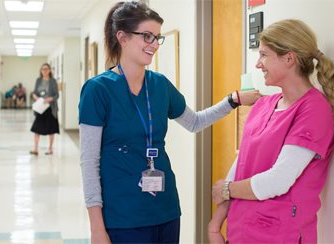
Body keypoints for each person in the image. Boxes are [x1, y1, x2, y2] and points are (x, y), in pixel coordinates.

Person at [78, 2, 261, 243]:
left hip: (165, 209)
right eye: (146, 36)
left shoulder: (159, 84)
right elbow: (89, 162)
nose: (154, 44)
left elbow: (194, 122)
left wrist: (233, 100)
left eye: (157, 37)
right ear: (122, 37)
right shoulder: (97, 90)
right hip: (122, 215)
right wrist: (96, 229)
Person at [208, 19, 334, 243]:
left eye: (264, 55)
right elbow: (240, 163)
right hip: (240, 229)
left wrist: (226, 189)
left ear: (289, 58)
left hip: (281, 234)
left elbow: (278, 181)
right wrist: (215, 224)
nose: (257, 64)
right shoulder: (264, 104)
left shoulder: (314, 110)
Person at [30, 63, 59, 155]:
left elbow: (56, 95)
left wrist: (49, 99)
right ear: (41, 71)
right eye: (43, 69)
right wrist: (36, 98)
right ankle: (35, 149)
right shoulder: (38, 80)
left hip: (50, 108)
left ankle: (50, 148)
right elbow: (34, 92)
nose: (44, 71)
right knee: (36, 128)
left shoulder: (53, 81)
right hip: (40, 107)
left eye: (46, 69)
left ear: (50, 70)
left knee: (51, 129)